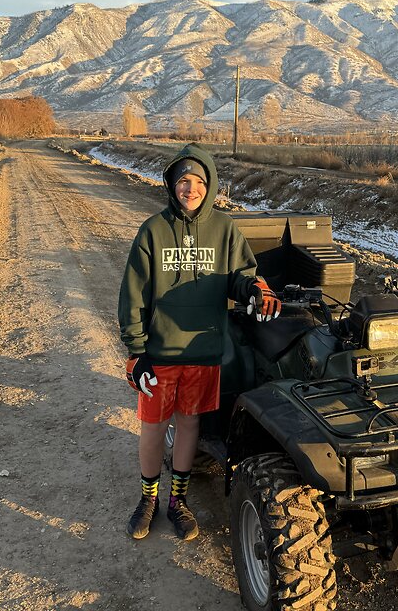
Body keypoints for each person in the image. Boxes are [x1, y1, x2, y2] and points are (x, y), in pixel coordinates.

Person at [118, 143, 281, 541]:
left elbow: (242, 274)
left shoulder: (224, 229)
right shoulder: (153, 231)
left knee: (190, 425)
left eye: (199, 182)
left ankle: (178, 501)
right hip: (159, 354)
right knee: (154, 427)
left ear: (210, 187)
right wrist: (136, 351)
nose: (191, 189)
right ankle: (148, 499)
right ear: (172, 185)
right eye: (183, 181)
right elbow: (134, 293)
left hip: (204, 352)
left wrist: (255, 290)